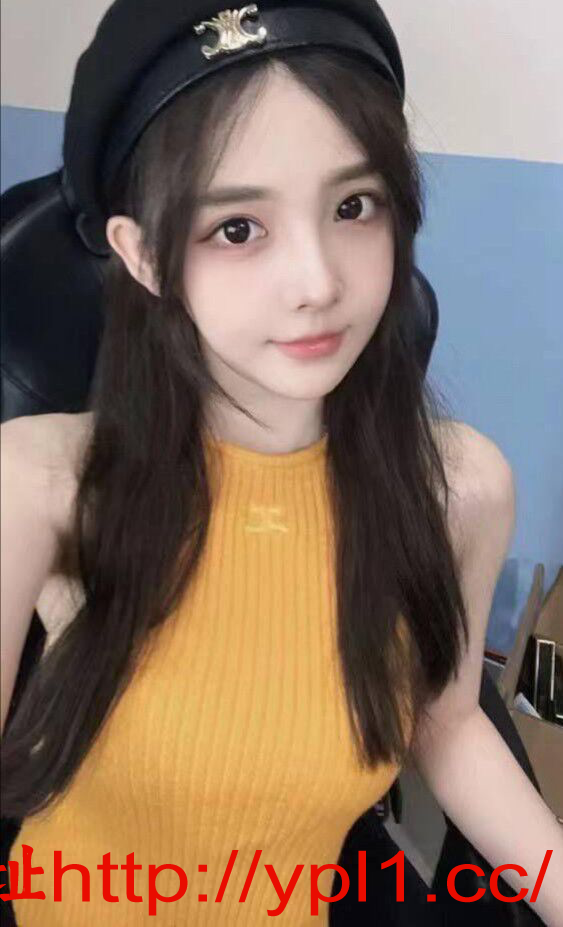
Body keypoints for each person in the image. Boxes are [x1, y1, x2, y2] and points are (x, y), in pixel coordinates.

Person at [1, 1, 562, 925]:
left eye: (352, 206)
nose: (318, 282)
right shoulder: (40, 484)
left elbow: (449, 724)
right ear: (141, 256)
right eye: (236, 228)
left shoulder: (456, 490)